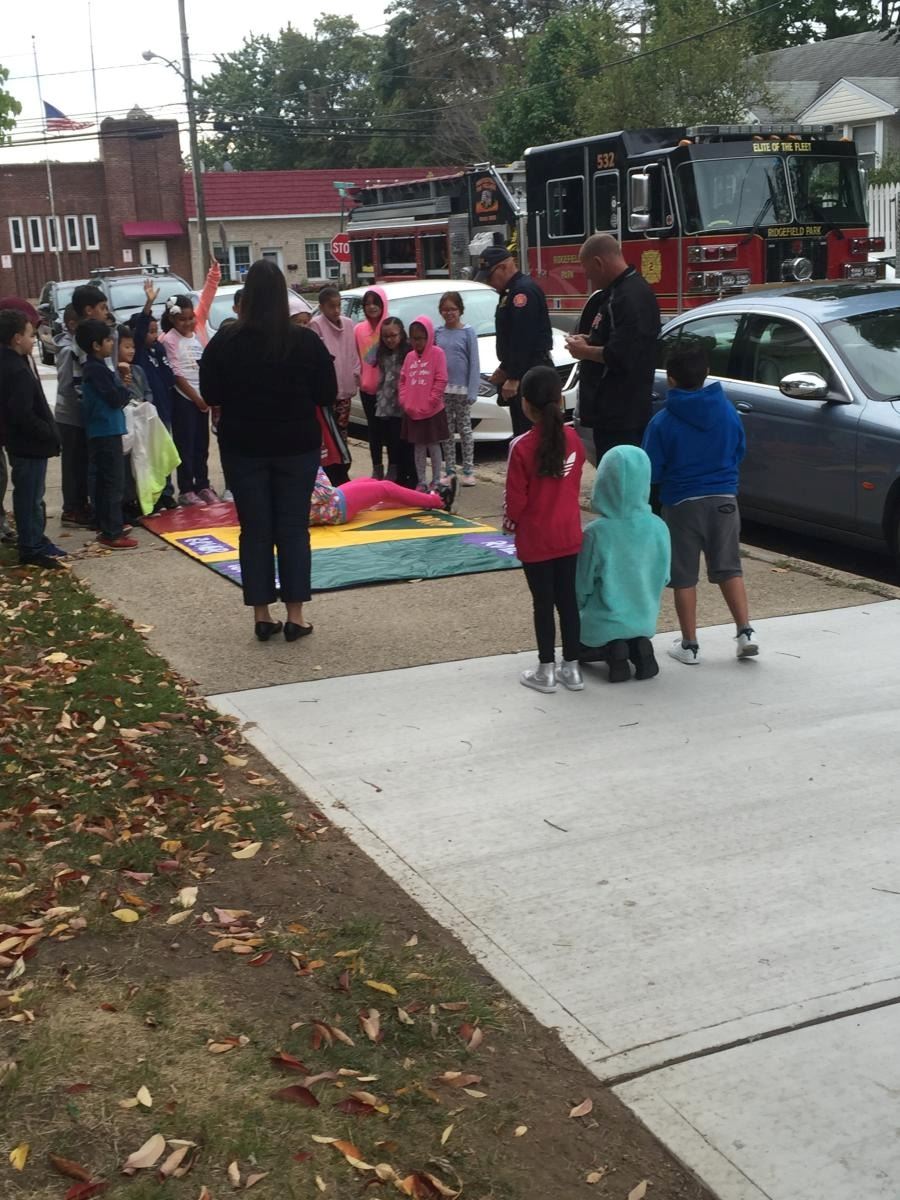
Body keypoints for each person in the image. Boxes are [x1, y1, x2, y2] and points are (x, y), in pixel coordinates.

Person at [199, 259, 337, 643]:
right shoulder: (305, 341)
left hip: (243, 445)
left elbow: (211, 393)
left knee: (255, 528)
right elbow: (327, 393)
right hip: (295, 445)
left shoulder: (225, 341)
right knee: (293, 528)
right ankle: (296, 615)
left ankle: (261, 614)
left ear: (247, 297)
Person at [642, 344, 758, 664]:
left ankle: (690, 645)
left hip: (682, 503)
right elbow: (739, 450)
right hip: (724, 498)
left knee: (683, 576)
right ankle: (746, 632)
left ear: (671, 379)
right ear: (706, 373)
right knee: (729, 568)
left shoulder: (662, 421)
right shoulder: (727, 411)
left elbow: (651, 469)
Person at [504, 364, 586, 693]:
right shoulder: (574, 440)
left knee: (543, 603)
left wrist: (509, 525)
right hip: (568, 534)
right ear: (559, 399)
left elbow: (516, 499)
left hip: (536, 538)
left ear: (525, 403)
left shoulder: (522, 446)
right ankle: (573, 668)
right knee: (568, 601)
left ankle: (545, 669)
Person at [575, 445, 670, 682]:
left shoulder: (596, 533)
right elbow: (665, 576)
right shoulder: (659, 527)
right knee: (633, 636)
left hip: (603, 621)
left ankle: (612, 651)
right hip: (643, 617)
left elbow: (582, 584)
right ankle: (638, 646)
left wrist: (578, 605)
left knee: (576, 648)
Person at [565, 234, 661, 464]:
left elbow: (622, 354)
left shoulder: (629, 297)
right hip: (612, 414)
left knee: (619, 478)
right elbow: (614, 338)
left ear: (599, 263)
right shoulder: (616, 292)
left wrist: (584, 351)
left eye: (587, 270)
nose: (588, 277)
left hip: (621, 416)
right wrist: (589, 339)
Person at [0, 309, 64, 568]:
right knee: (30, 498)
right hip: (28, 446)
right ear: (17, 338)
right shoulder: (15, 369)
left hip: (24, 444)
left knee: (32, 496)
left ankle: (35, 540)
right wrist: (48, 432)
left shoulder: (14, 362)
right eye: (29, 334)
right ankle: (31, 547)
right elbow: (22, 413)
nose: (33, 339)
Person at [475, 246, 553, 439]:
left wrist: (514, 376)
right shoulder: (510, 291)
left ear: (503, 267)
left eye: (490, 276)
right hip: (524, 370)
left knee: (530, 434)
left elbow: (523, 338)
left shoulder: (522, 293)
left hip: (530, 373)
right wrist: (504, 368)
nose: (489, 282)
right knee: (522, 431)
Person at [75, 318, 138, 550]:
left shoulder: (97, 368)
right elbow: (114, 398)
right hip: (105, 430)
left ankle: (107, 525)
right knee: (113, 482)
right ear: (96, 345)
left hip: (104, 429)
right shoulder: (96, 369)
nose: (112, 344)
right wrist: (124, 388)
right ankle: (112, 532)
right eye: (108, 341)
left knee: (105, 481)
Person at [55, 283, 109, 526]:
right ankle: (72, 509)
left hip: (89, 413)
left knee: (85, 462)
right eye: (102, 307)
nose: (106, 312)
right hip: (72, 415)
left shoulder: (90, 340)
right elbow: (68, 385)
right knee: (74, 464)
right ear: (88, 310)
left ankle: (83, 504)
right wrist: (86, 404)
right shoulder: (70, 348)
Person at [159, 294, 217, 506]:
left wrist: (206, 396)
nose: (188, 322)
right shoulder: (169, 339)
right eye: (182, 319)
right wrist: (195, 397)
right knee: (186, 445)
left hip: (202, 397)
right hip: (184, 398)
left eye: (191, 318)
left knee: (202, 444)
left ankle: (203, 484)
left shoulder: (197, 336)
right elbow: (176, 373)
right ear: (172, 319)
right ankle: (186, 488)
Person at [128, 282, 178, 511]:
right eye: (150, 331)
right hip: (148, 413)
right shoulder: (138, 352)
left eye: (156, 330)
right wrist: (148, 304)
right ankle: (152, 496)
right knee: (149, 456)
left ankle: (167, 492)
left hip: (164, 410)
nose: (154, 335)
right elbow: (139, 332)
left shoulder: (158, 349)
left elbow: (169, 375)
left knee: (164, 453)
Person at [310, 285, 358, 485]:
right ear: (322, 307)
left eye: (339, 305)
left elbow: (353, 354)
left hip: (345, 388)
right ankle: (329, 472)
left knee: (342, 431)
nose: (336, 310)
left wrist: (355, 375)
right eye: (331, 306)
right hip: (326, 392)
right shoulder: (316, 325)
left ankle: (342, 469)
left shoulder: (348, 324)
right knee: (327, 435)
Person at [399, 317, 452, 496]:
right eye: (413, 338)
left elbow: (441, 379)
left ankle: (436, 479)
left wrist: (431, 401)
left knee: (434, 445)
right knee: (419, 446)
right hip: (413, 411)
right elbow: (403, 380)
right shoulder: (409, 357)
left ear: (429, 337)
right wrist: (405, 401)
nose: (417, 342)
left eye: (421, 338)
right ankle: (421, 481)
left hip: (432, 411)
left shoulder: (438, 354)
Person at [435, 290, 480, 486]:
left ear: (460, 310)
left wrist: (473, 390)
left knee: (465, 430)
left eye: (453, 309)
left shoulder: (468, 332)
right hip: (443, 391)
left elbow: (474, 362)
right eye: (445, 309)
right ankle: (450, 470)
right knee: (446, 432)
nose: (449, 313)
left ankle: (468, 470)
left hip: (462, 391)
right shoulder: (437, 333)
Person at [309, 466, 451, 525]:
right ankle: (437, 500)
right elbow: (325, 493)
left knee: (370, 482)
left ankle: (419, 498)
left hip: (335, 502)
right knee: (385, 488)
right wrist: (315, 468)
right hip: (338, 506)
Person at [353, 287, 390, 477]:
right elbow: (354, 358)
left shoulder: (391, 328)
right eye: (367, 304)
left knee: (390, 431)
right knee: (374, 431)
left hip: (389, 391)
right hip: (367, 389)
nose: (371, 307)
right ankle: (377, 467)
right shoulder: (358, 330)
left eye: (376, 303)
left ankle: (394, 468)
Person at [371, 316, 409, 483]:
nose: (390, 340)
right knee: (389, 438)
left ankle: (401, 470)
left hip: (402, 403)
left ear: (401, 334)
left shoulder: (408, 352)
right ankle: (392, 467)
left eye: (393, 335)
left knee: (401, 439)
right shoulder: (381, 352)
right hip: (386, 403)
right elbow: (369, 360)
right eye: (386, 336)